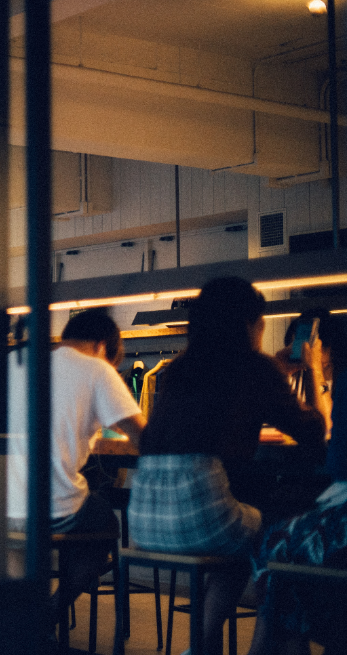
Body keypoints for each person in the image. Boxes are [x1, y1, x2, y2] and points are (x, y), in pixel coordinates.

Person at [128, 277, 326, 655]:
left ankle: (201, 646)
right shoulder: (255, 368)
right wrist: (312, 369)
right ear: (250, 324)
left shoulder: (178, 370)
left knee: (240, 535)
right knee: (279, 533)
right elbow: (314, 432)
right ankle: (266, 645)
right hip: (200, 517)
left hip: (144, 519)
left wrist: (273, 372)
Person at [0, 308, 145, 621]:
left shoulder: (18, 364)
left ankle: (21, 622)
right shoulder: (97, 369)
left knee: (15, 548)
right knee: (106, 523)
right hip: (49, 511)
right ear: (101, 346)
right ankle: (51, 611)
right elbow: (143, 437)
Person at [246, 314, 347, 655]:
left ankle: (271, 643)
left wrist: (317, 371)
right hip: (317, 494)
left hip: (332, 497)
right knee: (278, 516)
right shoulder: (297, 380)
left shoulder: (335, 380)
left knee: (275, 536)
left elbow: (327, 435)